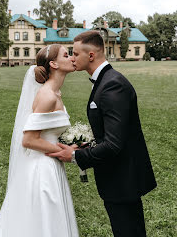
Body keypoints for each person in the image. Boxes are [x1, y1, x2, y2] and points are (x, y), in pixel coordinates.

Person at [47, 31, 157, 237]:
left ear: (90, 56)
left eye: (75, 53)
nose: (72, 58)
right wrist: (84, 147)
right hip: (117, 178)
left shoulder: (112, 84)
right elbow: (110, 135)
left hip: (123, 179)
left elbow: (114, 144)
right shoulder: (105, 80)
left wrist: (74, 156)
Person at [0, 44, 79, 237]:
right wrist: (66, 152)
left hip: (51, 164)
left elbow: (47, 130)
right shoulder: (47, 95)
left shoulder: (56, 93)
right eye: (67, 54)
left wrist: (71, 143)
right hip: (42, 170)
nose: (72, 58)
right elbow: (29, 140)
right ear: (54, 63)